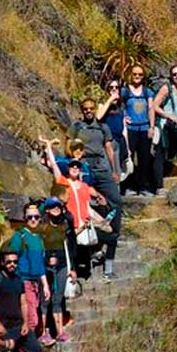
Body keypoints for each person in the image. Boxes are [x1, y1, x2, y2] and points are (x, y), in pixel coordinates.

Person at [66, 100, 122, 279]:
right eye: (86, 109)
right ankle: (94, 248)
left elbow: (109, 148)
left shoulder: (103, 127)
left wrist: (115, 170)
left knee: (116, 202)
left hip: (102, 167)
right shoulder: (76, 126)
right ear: (82, 111)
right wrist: (75, 158)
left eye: (91, 109)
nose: (89, 111)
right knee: (85, 204)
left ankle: (112, 236)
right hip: (83, 167)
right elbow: (68, 146)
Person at [6, 203, 49, 346]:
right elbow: (10, 260)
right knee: (31, 320)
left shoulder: (38, 238)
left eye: (36, 217)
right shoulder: (20, 236)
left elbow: (40, 264)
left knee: (32, 318)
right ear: (24, 218)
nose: (33, 220)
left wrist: (45, 284)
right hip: (23, 282)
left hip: (35, 283)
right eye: (30, 217)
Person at [36, 197, 74, 345]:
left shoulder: (64, 223)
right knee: (45, 300)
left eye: (58, 206)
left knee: (58, 299)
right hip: (46, 267)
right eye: (52, 207)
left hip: (62, 265)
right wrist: (47, 260)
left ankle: (59, 332)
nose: (56, 208)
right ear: (47, 210)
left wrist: (74, 268)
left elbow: (71, 246)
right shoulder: (42, 227)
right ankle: (44, 331)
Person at [117, 65, 159, 196]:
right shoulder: (125, 91)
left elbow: (151, 109)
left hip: (144, 128)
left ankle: (144, 187)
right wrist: (124, 116)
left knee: (144, 158)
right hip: (130, 129)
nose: (137, 77)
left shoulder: (147, 92)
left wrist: (152, 127)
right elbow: (118, 105)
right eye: (135, 74)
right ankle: (129, 186)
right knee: (128, 157)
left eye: (140, 74)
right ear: (131, 75)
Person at [96, 80, 129, 183]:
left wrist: (128, 148)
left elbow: (124, 128)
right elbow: (98, 116)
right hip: (107, 142)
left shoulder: (121, 107)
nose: (114, 89)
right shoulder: (103, 105)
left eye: (116, 87)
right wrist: (110, 100)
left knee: (117, 172)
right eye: (111, 87)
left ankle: (117, 194)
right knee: (109, 171)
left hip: (119, 142)